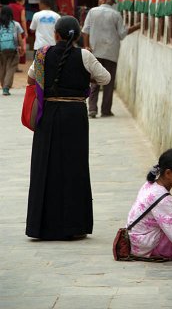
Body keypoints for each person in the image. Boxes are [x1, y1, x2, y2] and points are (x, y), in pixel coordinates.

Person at [26, 16, 111, 240]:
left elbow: (30, 78)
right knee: (74, 167)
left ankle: (42, 227)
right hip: (75, 116)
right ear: (76, 35)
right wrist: (85, 77)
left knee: (46, 166)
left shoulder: (43, 54)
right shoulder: (85, 55)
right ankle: (73, 226)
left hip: (49, 116)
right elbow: (105, 78)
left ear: (56, 34)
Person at [82, 0, 140, 118]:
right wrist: (137, 27)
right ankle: (106, 110)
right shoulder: (116, 14)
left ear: (102, 0)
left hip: (95, 51)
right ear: (110, 2)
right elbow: (122, 34)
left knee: (94, 80)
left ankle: (92, 109)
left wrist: (86, 46)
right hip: (111, 53)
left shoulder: (92, 12)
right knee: (108, 81)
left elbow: (85, 31)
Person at [0, 6, 24, 95]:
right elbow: (19, 38)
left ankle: (4, 86)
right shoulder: (15, 24)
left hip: (1, 50)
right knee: (11, 68)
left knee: (2, 68)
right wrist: (22, 48)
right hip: (13, 49)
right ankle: (6, 87)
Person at [9, 0, 28, 67]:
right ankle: (15, 66)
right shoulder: (21, 8)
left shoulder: (9, 6)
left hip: (8, 27)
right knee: (19, 47)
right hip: (18, 29)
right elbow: (23, 20)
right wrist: (25, 31)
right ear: (22, 1)